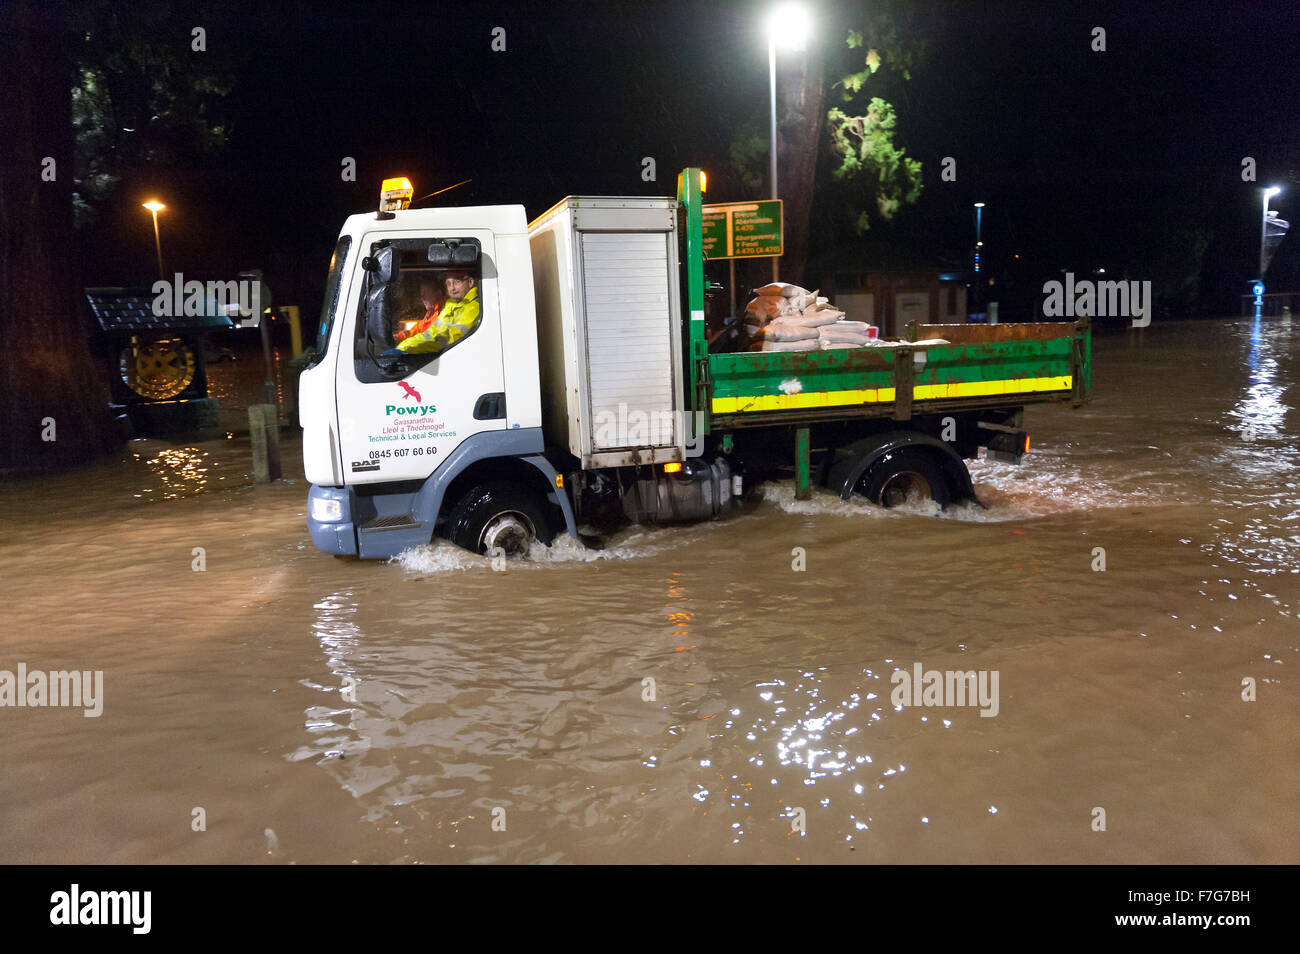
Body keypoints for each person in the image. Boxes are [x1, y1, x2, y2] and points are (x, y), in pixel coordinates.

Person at [394, 270, 481, 355]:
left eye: (457, 282)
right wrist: (401, 345)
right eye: (448, 283)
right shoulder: (450, 305)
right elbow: (431, 333)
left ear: (470, 282)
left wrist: (406, 348)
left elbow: (446, 339)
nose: (452, 288)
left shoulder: (474, 307)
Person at [393, 280, 445, 344]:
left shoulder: (444, 313)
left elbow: (430, 339)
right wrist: (396, 337)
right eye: (421, 294)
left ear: (438, 294)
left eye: (426, 293)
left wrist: (407, 345)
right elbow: (415, 331)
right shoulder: (430, 313)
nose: (422, 297)